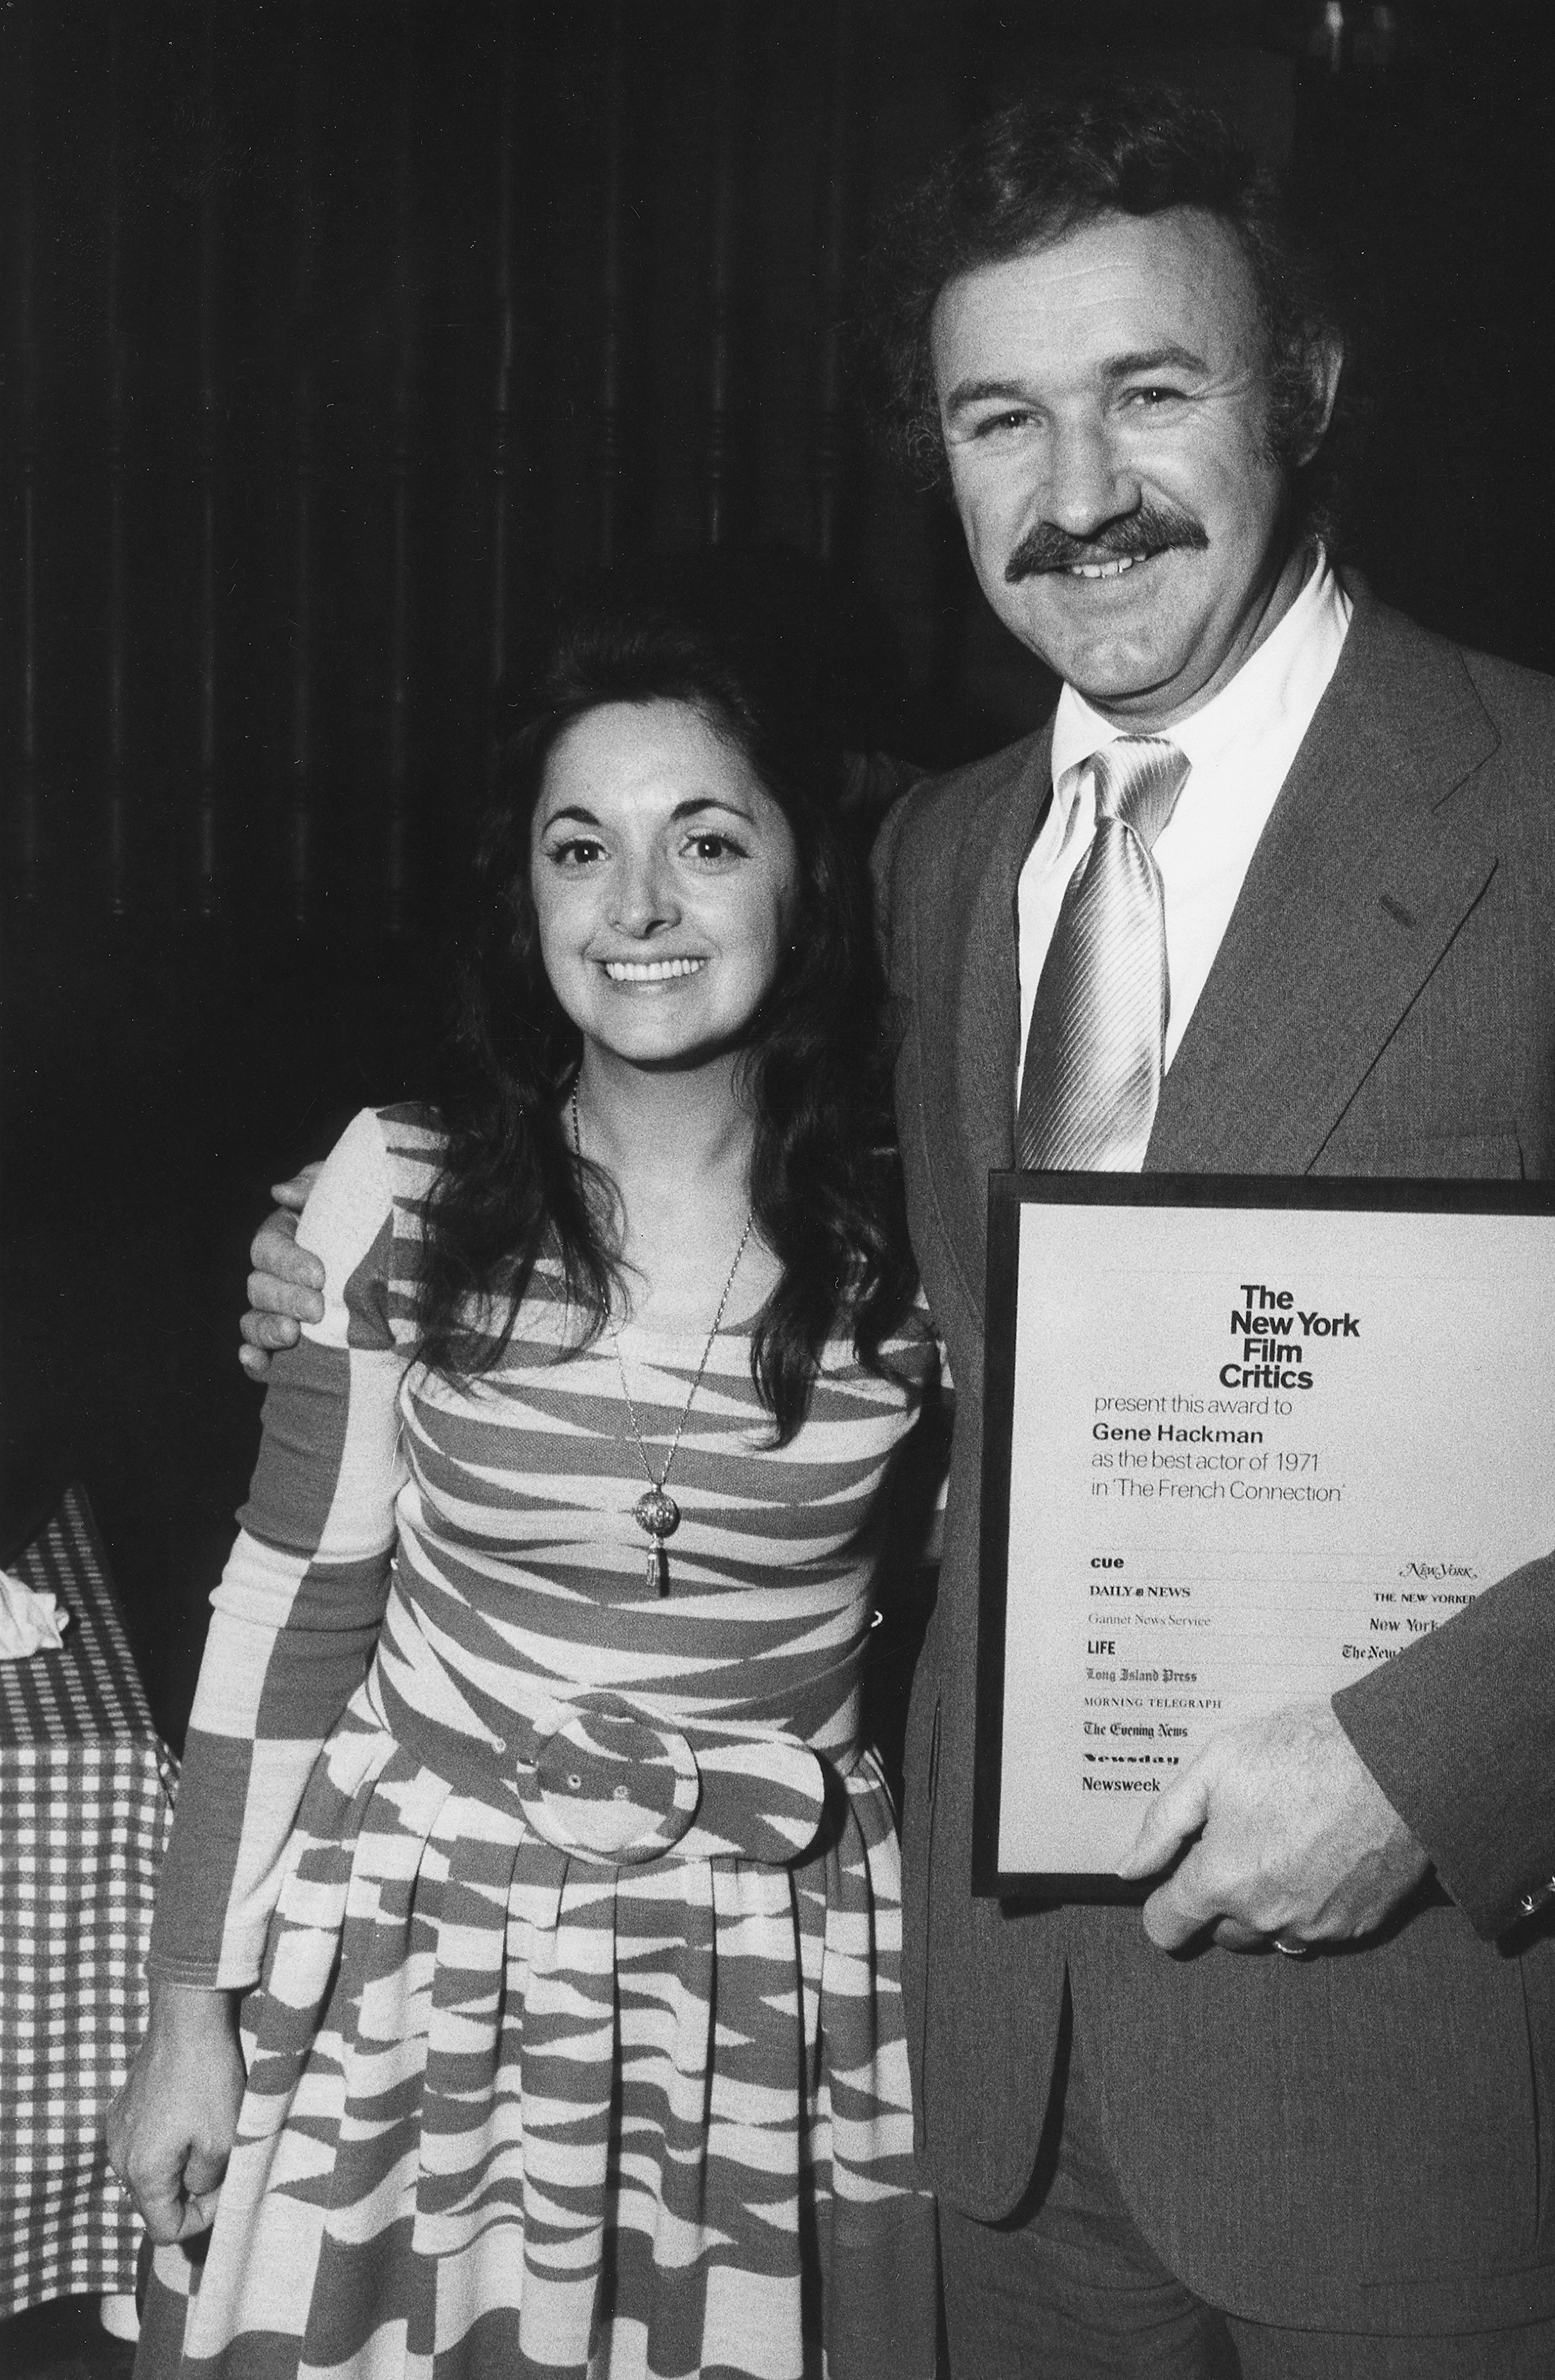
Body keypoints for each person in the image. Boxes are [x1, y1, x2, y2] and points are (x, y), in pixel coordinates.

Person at [243, 88, 1555, 2380]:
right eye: (1002, 414)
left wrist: (1429, 1763)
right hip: (974, 2074)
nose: (1080, 489)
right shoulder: (933, 866)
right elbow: (753, 1205)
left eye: (1152, 391)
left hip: (1402, 2088)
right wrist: (344, 1275)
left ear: (1305, 391)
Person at [112, 575, 941, 2380]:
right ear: (529, 896)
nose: (639, 904)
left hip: (767, 1972)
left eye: (705, 839)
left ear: (806, 876)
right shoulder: (397, 1191)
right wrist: (194, 2012)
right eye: (582, 849)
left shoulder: (923, 1245)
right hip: (429, 1953)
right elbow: (286, 1615)